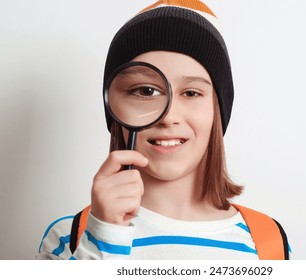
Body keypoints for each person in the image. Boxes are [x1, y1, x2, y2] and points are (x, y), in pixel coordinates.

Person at [36, 0, 289, 260]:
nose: (168, 117)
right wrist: (104, 236)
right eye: (146, 91)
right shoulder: (70, 237)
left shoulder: (269, 242)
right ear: (114, 107)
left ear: (218, 110)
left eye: (191, 93)